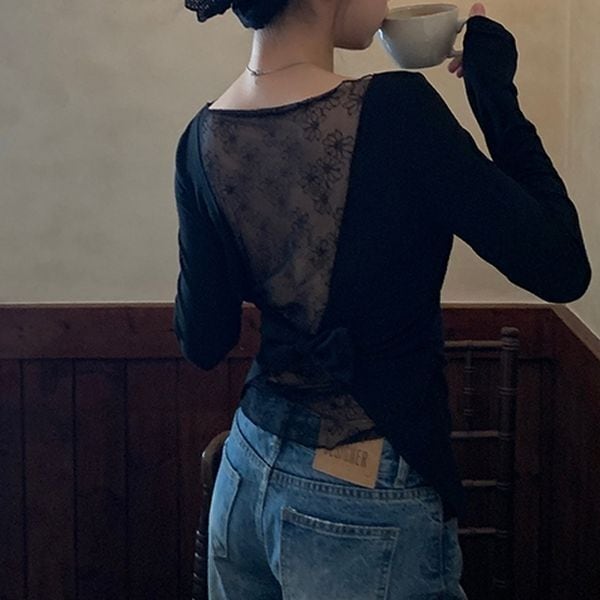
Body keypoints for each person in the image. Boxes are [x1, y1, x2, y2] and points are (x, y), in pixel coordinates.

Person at [173, 1, 592, 598]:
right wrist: (494, 91)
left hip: (245, 474)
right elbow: (561, 266)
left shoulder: (201, 138)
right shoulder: (398, 110)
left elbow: (204, 341)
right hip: (361, 496)